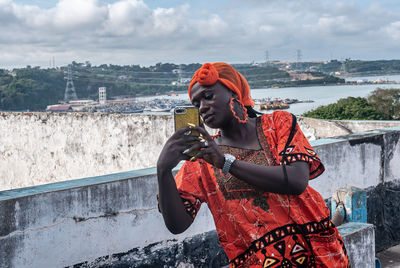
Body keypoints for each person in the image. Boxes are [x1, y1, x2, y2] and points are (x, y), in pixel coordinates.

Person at [157, 62, 349, 267]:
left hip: (320, 255)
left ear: (234, 91)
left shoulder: (277, 124)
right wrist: (163, 171)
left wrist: (225, 162)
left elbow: (296, 180)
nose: (202, 107)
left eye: (208, 96)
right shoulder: (202, 160)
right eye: (196, 104)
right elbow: (178, 224)